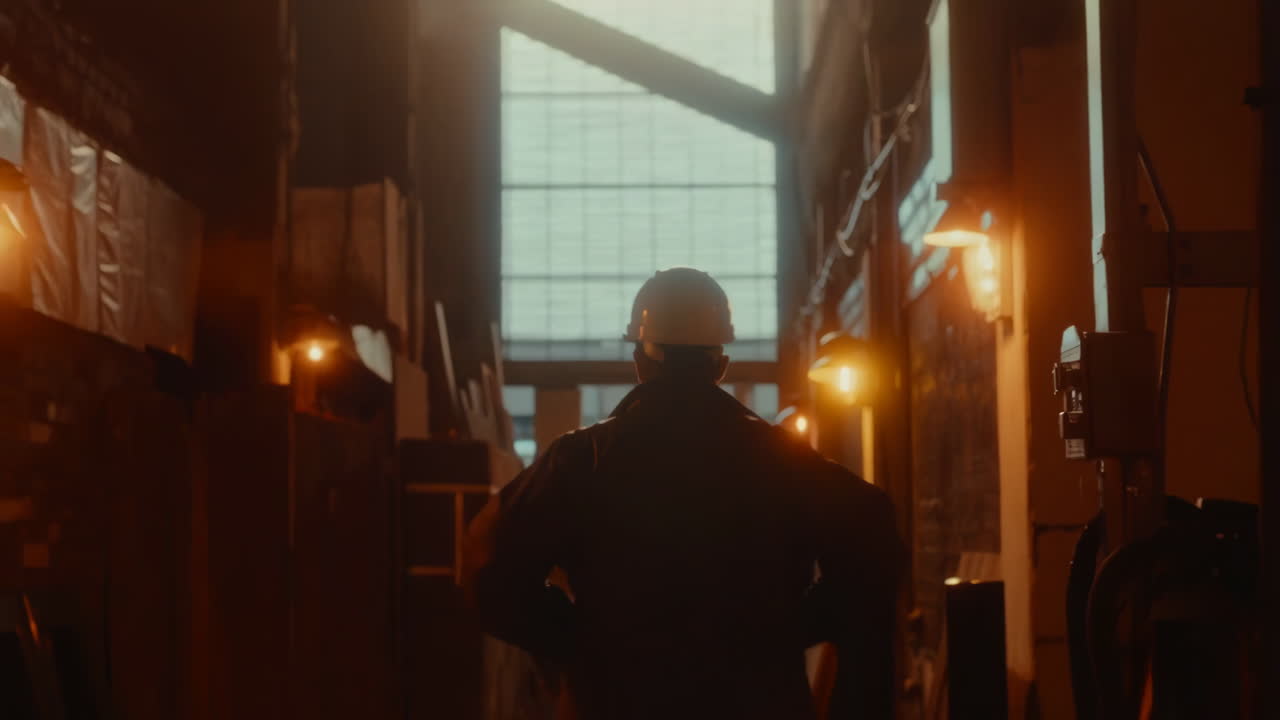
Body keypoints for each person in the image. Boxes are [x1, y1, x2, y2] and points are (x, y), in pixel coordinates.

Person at [463, 267, 904, 720]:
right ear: (720, 366)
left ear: (640, 361)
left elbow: (484, 557)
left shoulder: (582, 459)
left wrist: (577, 639)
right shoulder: (785, 461)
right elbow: (873, 526)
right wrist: (796, 626)